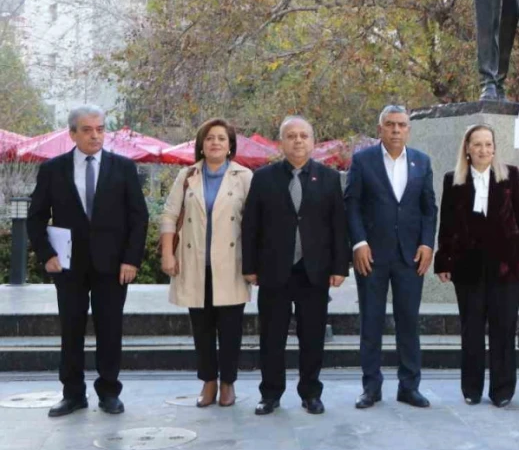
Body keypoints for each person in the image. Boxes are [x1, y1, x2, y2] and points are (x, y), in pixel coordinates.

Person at [28, 105, 149, 417]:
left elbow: (139, 217)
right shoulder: (53, 169)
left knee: (110, 329)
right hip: (69, 266)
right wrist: (47, 255)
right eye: (87, 129)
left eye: (100, 128)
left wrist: (131, 259)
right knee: (71, 330)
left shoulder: (123, 167)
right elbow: (36, 217)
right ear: (72, 133)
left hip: (113, 266)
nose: (95, 135)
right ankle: (73, 394)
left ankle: (109, 392)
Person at [241, 116, 349, 416]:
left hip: (313, 272)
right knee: (271, 337)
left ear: (313, 142)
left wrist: (340, 266)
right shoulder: (263, 178)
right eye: (291, 136)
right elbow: (251, 226)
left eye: (304, 135)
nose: (298, 141)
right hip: (273, 271)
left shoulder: (328, 178)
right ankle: (270, 394)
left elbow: (338, 226)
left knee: (312, 336)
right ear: (281, 142)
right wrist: (249, 266)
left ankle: (311, 393)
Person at [434, 125, 519, 407]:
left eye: (488, 144)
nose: (483, 150)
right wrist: (444, 260)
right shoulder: (453, 179)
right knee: (472, 330)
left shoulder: (509, 175)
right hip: (468, 267)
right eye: (477, 144)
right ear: (467, 148)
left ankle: (502, 390)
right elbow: (447, 224)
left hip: (507, 265)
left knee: (503, 329)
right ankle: (472, 389)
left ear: (495, 147)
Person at [346, 106, 438, 409]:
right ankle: (371, 387)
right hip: (371, 255)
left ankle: (409, 387)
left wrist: (427, 244)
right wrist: (358, 242)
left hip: (411, 256)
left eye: (401, 125)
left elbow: (429, 208)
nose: (396, 130)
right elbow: (353, 205)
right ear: (380, 128)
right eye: (390, 125)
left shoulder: (422, 162)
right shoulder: (362, 161)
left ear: (408, 129)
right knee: (371, 321)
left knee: (408, 322)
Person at [160, 119, 253, 408]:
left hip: (231, 264)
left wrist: (255, 262)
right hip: (194, 262)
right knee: (201, 329)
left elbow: (256, 223)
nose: (215, 143)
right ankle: (208, 382)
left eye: (221, 139)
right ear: (201, 144)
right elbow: (168, 215)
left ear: (230, 146)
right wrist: (167, 254)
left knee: (230, 329)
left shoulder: (245, 176)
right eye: (210, 138)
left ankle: (228, 383)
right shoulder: (187, 176)